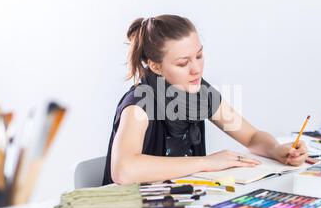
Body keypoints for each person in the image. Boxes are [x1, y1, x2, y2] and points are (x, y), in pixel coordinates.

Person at [103, 14, 307, 185]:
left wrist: (277, 150)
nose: (196, 69)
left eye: (199, 56)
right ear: (156, 66)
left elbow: (251, 137)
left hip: (182, 202)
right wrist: (205, 162)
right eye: (183, 63)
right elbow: (124, 171)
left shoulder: (199, 91)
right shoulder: (139, 104)